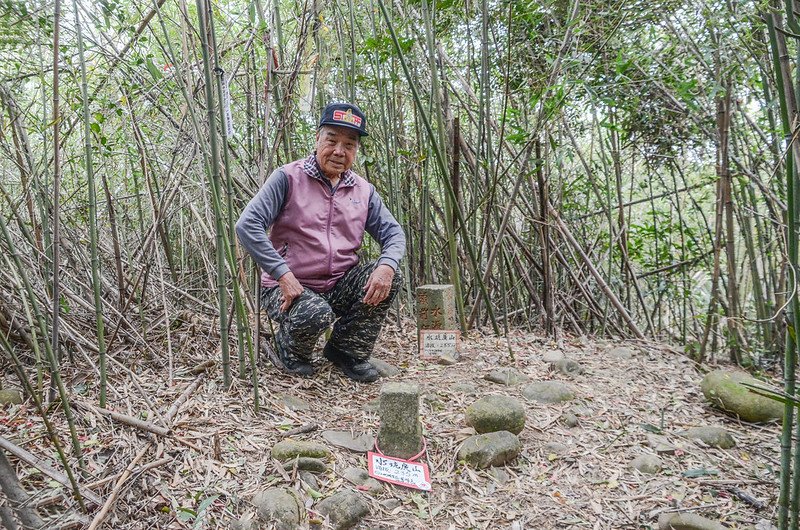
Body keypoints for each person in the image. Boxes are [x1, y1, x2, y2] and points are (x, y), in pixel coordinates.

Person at [235, 102, 405, 383]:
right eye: (332, 140)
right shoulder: (288, 177)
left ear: (356, 151)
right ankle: (291, 351)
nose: (339, 151)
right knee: (316, 312)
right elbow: (247, 225)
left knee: (390, 276)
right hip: (288, 286)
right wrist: (282, 273)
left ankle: (346, 351)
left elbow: (394, 233)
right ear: (317, 139)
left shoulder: (363, 190)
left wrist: (386, 265)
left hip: (338, 283)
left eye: (349, 144)